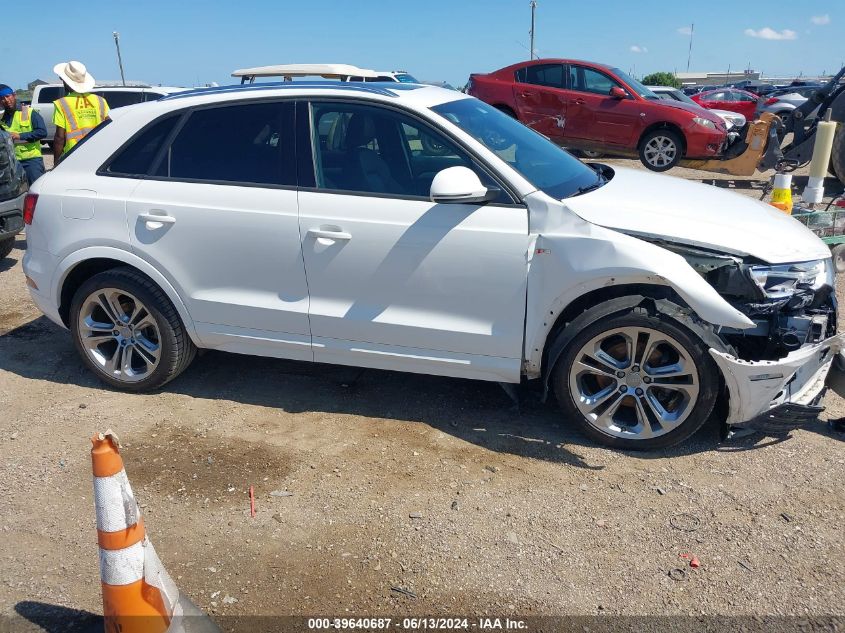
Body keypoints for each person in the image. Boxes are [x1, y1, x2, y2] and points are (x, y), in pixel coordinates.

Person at [52, 61, 109, 162]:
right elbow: (109, 126)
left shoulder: (62, 103)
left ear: (66, 81)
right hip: (98, 153)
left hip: (74, 155)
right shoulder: (100, 101)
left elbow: (59, 138)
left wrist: (56, 162)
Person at [0, 84, 47, 184]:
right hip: (11, 163)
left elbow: (42, 132)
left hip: (31, 161)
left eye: (8, 96)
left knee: (35, 190)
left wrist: (19, 136)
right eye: (2, 98)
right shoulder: (1, 119)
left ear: (14, 95)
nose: (6, 100)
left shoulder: (28, 112)